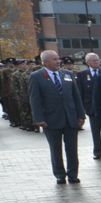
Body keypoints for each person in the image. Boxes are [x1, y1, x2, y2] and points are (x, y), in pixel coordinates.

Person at [28, 49, 85, 185]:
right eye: (54, 59)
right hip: (50, 120)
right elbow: (35, 99)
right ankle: (60, 174)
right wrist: (39, 119)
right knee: (56, 149)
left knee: (72, 149)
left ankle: (73, 174)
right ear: (45, 62)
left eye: (58, 58)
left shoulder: (68, 74)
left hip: (70, 118)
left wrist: (81, 115)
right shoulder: (37, 76)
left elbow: (76, 97)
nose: (58, 61)